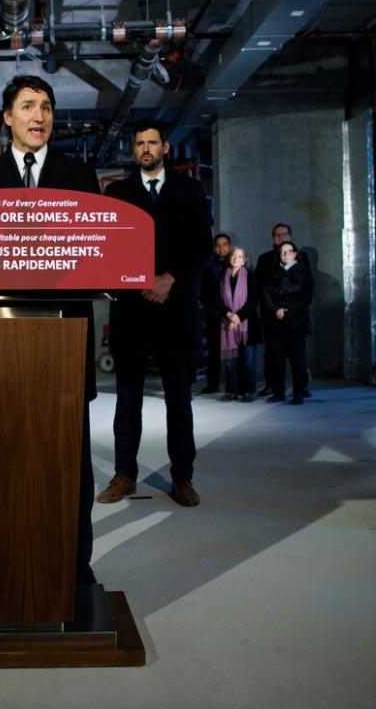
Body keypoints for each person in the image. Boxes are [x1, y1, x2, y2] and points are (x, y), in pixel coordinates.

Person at [0, 74, 101, 584]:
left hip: (66, 337)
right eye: (27, 106)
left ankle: (73, 564)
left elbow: (94, 253)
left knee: (70, 462)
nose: (39, 116)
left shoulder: (79, 176)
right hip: (1, 339)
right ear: (7, 117)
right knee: (5, 457)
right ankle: (7, 564)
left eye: (46, 107)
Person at [98, 119, 212, 508]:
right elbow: (109, 246)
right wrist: (135, 280)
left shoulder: (190, 189)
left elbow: (201, 245)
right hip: (131, 310)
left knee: (179, 399)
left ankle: (183, 477)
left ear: (166, 147)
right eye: (139, 143)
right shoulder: (119, 191)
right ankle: (124, 474)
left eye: (152, 142)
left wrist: (170, 279)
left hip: (175, 308)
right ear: (134, 149)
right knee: (127, 400)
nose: (146, 148)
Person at [261, 240, 314, 405]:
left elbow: (306, 296)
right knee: (277, 360)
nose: (284, 255)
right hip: (276, 322)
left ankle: (298, 393)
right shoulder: (273, 271)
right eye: (282, 252)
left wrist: (287, 310)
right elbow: (266, 294)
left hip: (296, 322)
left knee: (297, 360)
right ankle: (279, 392)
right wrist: (275, 309)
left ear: (294, 253)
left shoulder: (303, 271)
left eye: (288, 251)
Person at [218, 246, 258, 402]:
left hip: (247, 325)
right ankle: (231, 391)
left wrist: (237, 318)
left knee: (247, 361)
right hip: (226, 323)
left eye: (240, 256)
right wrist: (228, 315)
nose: (236, 258)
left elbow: (253, 301)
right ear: (229, 258)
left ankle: (247, 391)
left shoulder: (251, 277)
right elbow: (217, 301)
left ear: (244, 260)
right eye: (234, 256)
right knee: (230, 361)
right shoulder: (222, 277)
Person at [198, 233, 233, 394]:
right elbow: (203, 290)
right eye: (218, 245)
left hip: (232, 313)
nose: (221, 248)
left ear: (230, 246)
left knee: (232, 350)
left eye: (225, 244)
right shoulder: (208, 265)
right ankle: (212, 384)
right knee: (213, 352)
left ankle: (233, 385)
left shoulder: (236, 263)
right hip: (213, 314)